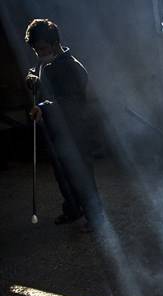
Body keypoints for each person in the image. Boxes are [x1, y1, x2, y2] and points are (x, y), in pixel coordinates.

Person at [25, 19, 104, 232]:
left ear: (55, 43)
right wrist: (33, 78)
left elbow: (68, 101)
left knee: (81, 176)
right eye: (35, 50)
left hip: (75, 130)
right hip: (58, 130)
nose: (39, 53)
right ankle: (72, 210)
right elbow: (40, 76)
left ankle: (96, 218)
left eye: (42, 48)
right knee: (63, 174)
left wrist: (43, 106)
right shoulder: (47, 62)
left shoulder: (70, 67)